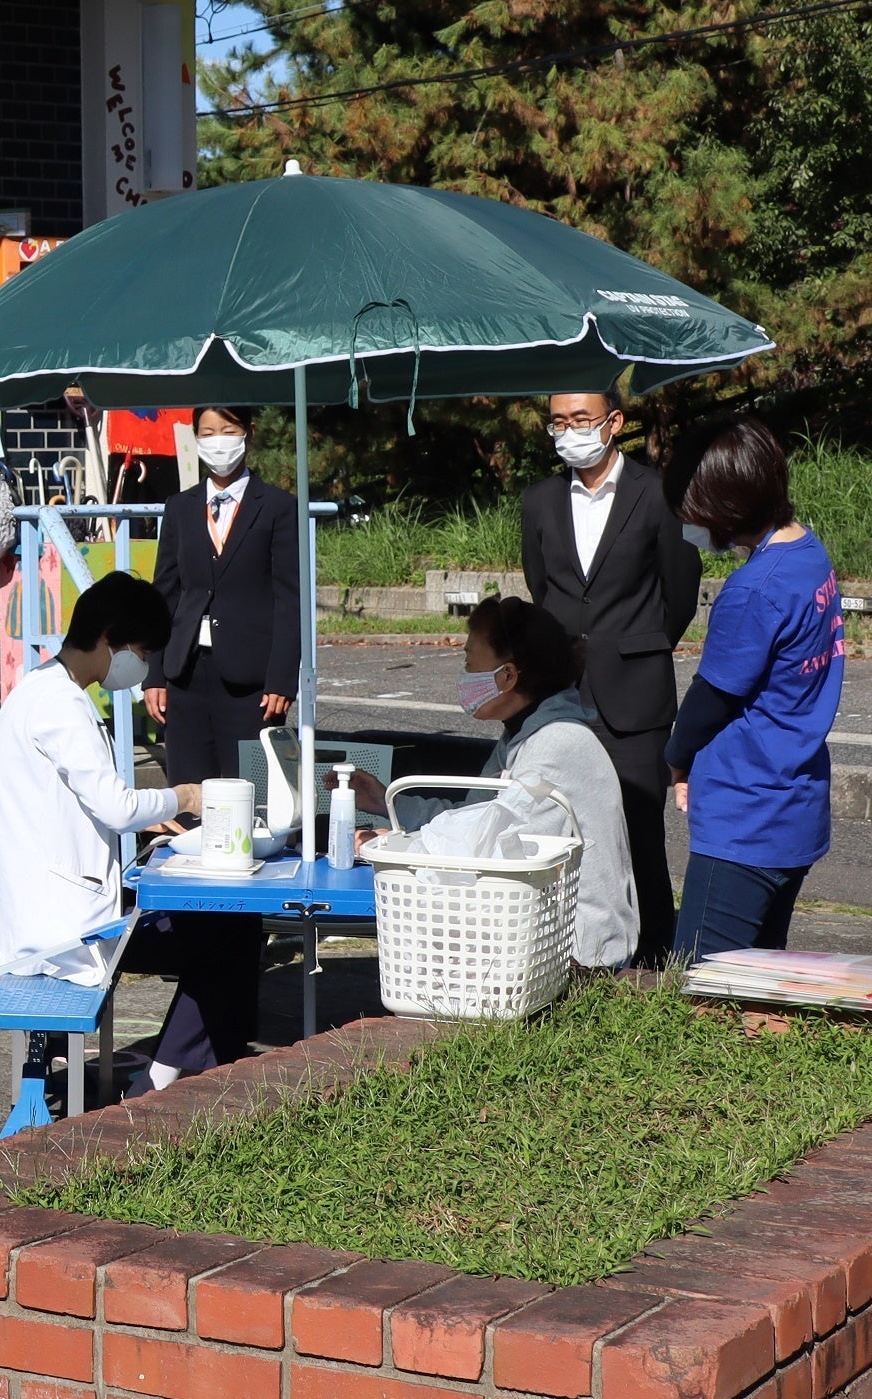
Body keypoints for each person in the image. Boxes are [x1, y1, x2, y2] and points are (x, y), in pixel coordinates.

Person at [0, 574, 200, 1087]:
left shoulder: (40, 688)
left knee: (204, 935)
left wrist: (152, 816)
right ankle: (163, 1077)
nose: (140, 667)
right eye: (140, 651)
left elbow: (74, 797)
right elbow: (115, 806)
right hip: (56, 930)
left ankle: (157, 1068)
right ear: (109, 637)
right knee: (218, 941)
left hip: (36, 904)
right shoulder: (63, 705)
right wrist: (185, 796)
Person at [518, 387, 700, 967]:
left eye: (582, 419)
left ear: (614, 422)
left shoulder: (657, 495)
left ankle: (652, 960)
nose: (569, 430)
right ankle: (567, 957)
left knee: (640, 832)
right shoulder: (540, 501)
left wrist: (638, 649)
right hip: (563, 693)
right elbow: (542, 588)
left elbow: (680, 594)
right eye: (557, 421)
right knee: (559, 827)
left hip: (636, 692)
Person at [359, 598, 636, 968]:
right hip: (543, 937)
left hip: (580, 955)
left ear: (507, 676)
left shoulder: (556, 745)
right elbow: (477, 817)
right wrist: (385, 804)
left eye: (470, 662)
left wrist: (397, 846)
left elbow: (490, 849)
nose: (464, 673)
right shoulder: (522, 735)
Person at [664, 418, 844, 955]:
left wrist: (676, 756)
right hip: (795, 803)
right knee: (760, 986)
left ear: (722, 508)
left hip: (746, 815)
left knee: (703, 987)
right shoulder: (809, 554)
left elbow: (712, 697)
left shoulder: (752, 591)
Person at [140, 405, 301, 786]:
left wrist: (281, 678)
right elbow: (165, 593)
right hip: (186, 671)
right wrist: (155, 674)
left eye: (227, 431)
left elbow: (289, 599)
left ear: (249, 432)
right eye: (207, 433)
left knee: (252, 790)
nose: (218, 442)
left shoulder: (278, 507)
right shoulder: (180, 507)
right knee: (190, 789)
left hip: (252, 679)